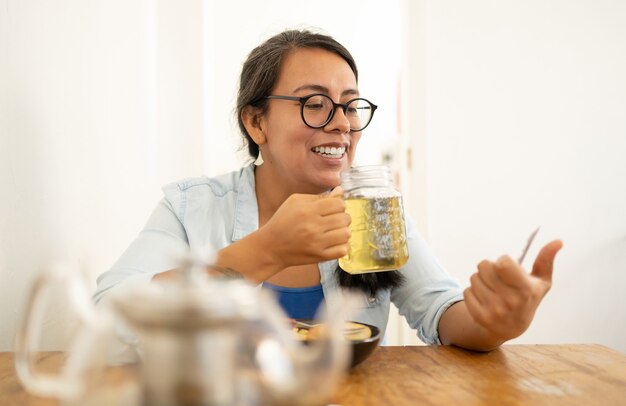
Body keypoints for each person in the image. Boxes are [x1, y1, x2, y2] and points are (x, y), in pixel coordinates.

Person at [94, 29, 563, 351]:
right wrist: (264, 251)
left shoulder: (373, 211)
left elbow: (442, 313)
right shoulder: (191, 207)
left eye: (350, 106)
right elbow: (107, 320)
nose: (341, 124)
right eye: (315, 104)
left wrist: (493, 323)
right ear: (256, 121)